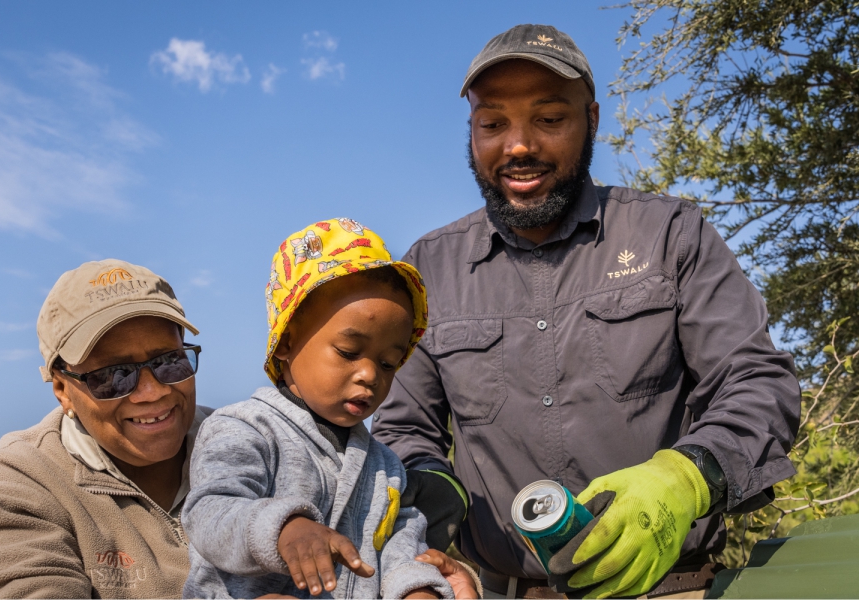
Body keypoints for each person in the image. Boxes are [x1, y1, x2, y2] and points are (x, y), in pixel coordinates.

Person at [374, 24, 802, 599]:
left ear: (592, 120)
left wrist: (688, 476)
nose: (518, 145)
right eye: (492, 122)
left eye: (549, 119)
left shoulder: (672, 236)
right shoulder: (429, 269)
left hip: (669, 588)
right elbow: (404, 429)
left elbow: (756, 382)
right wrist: (430, 500)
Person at [182, 219, 478, 599]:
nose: (370, 374)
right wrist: (285, 527)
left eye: (389, 363)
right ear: (286, 342)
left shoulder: (385, 467)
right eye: (349, 352)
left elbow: (400, 543)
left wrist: (418, 588)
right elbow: (209, 512)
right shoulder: (244, 428)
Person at [0, 259, 209, 598]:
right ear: (62, 390)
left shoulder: (253, 442)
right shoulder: (10, 486)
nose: (152, 391)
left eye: (169, 362)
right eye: (113, 376)